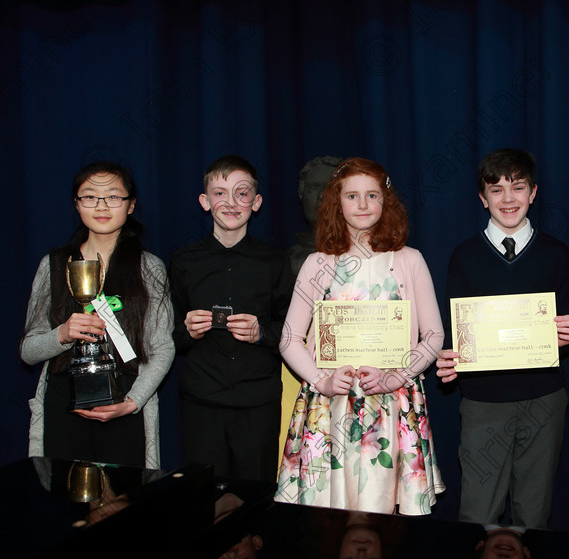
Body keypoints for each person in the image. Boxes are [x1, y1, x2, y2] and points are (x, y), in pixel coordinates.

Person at [275, 157, 445, 515]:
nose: (363, 204)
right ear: (337, 202)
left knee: (391, 522)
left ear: (386, 201)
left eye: (372, 195)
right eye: (352, 196)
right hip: (329, 407)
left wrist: (395, 376)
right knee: (327, 522)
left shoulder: (410, 260)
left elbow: (432, 336)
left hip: (394, 405)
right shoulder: (316, 263)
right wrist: (321, 380)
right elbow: (289, 338)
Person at [435, 148, 569, 529]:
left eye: (517, 187)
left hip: (544, 400)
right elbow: (457, 331)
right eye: (496, 190)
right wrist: (451, 356)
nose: (508, 198)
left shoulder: (556, 254)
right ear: (483, 200)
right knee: (478, 514)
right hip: (483, 402)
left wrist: (565, 335)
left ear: (533, 193)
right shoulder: (464, 257)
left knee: (534, 513)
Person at [21, 162, 174, 469]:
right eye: (90, 197)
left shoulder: (149, 267)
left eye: (113, 197)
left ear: (130, 205)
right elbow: (27, 351)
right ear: (76, 204)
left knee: (125, 505)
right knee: (60, 507)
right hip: (63, 405)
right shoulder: (53, 264)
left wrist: (132, 403)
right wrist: (62, 334)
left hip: (126, 401)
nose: (102, 206)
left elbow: (163, 348)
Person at [169, 155, 293, 483]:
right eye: (220, 193)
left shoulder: (275, 262)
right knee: (202, 499)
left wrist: (261, 333)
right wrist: (188, 331)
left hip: (258, 402)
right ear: (205, 201)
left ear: (256, 202)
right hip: (201, 401)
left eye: (241, 193)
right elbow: (168, 335)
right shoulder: (184, 262)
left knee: (257, 499)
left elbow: (293, 330)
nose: (231, 202)